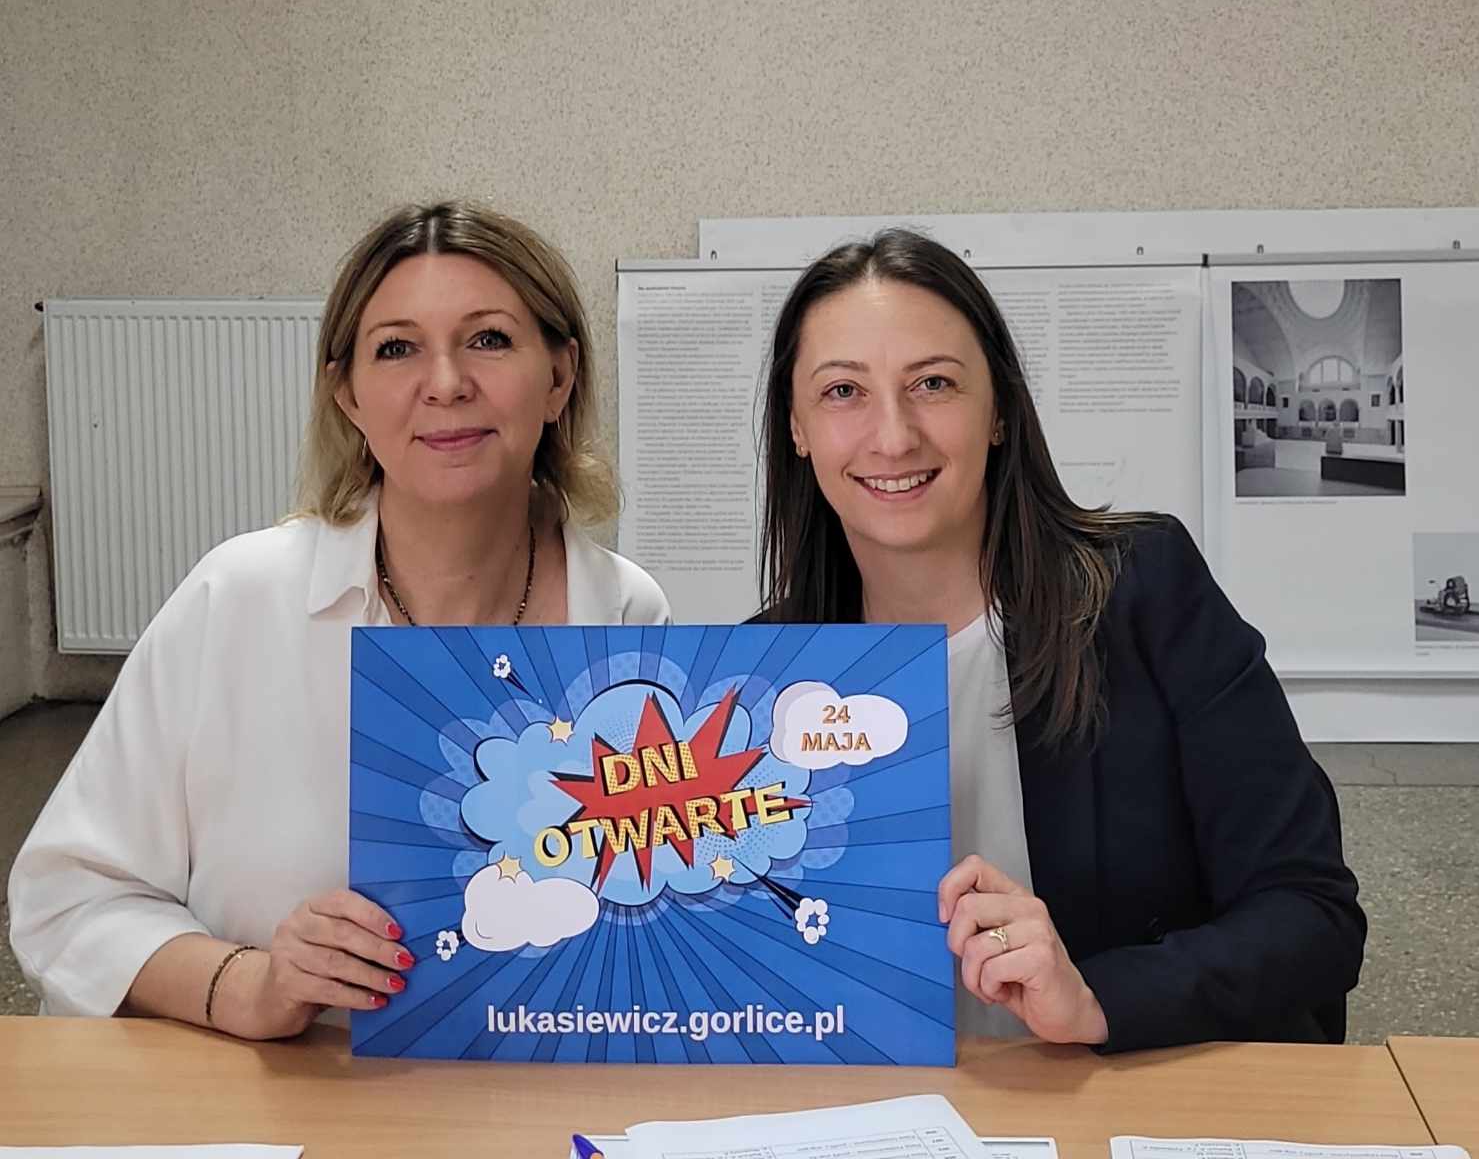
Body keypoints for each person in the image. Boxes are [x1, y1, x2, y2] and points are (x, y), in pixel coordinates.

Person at [10, 201, 669, 1037]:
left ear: (560, 376)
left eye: (488, 339)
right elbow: (67, 899)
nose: (445, 382)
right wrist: (252, 987)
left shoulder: (626, 613)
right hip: (276, 1085)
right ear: (347, 394)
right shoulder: (238, 599)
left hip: (539, 1078)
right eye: (396, 348)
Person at [757, 229, 1364, 1054]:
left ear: (999, 409)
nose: (892, 436)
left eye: (933, 383)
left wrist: (1096, 998)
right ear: (796, 427)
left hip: (1114, 1099)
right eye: (842, 391)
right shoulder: (764, 675)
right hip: (876, 1103)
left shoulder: (1143, 591)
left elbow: (1311, 915)